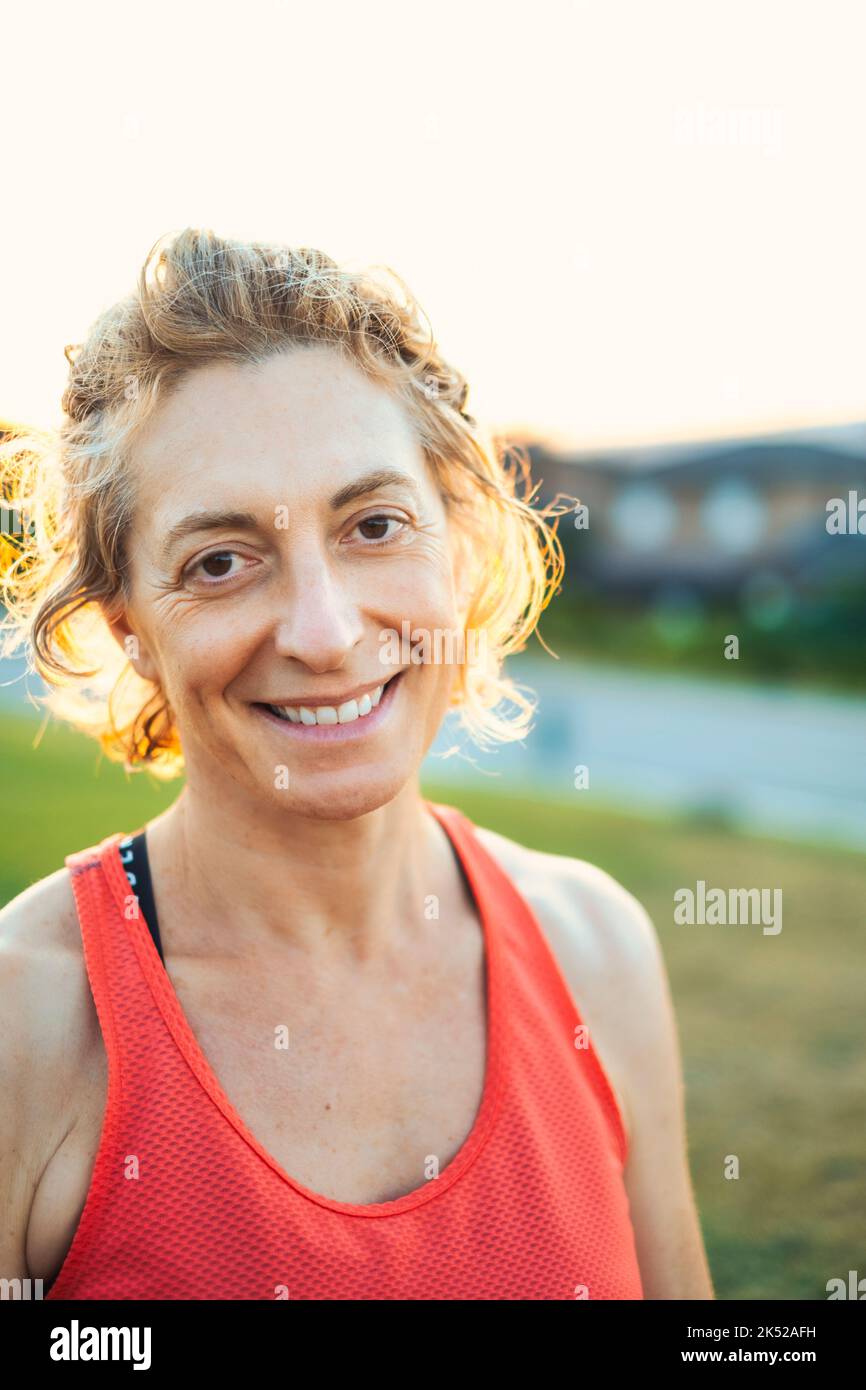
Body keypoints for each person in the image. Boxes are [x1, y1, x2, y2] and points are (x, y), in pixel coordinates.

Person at [0, 228, 713, 1300]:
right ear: (130, 626)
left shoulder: (593, 950)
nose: (325, 631)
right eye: (221, 561)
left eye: (373, 524)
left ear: (457, 546)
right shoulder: (28, 1022)